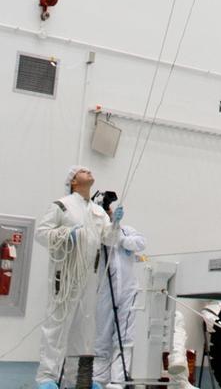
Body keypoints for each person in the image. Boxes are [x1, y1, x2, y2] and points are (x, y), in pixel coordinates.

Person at [34, 166, 122, 389]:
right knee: (57, 326)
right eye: (82, 170)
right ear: (73, 181)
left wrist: (116, 223)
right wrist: (65, 234)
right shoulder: (61, 206)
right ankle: (47, 377)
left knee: (84, 329)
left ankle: (77, 380)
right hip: (64, 277)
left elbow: (109, 240)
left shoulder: (98, 212)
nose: (89, 171)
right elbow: (41, 234)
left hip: (88, 278)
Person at [93, 193, 145, 387]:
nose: (109, 212)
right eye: (104, 211)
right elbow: (104, 243)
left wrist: (121, 237)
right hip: (105, 292)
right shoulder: (97, 234)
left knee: (124, 337)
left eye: (109, 210)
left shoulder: (126, 230)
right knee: (102, 336)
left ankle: (117, 380)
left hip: (128, 291)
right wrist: (111, 232)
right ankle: (98, 379)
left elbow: (140, 242)